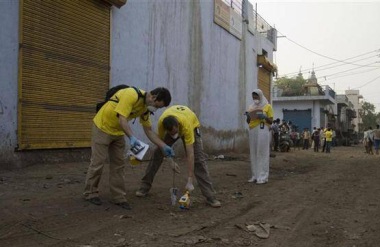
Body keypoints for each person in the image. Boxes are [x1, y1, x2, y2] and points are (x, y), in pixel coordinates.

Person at [83, 86, 173, 209]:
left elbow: (148, 130)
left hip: (118, 133)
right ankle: (90, 193)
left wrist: (163, 146)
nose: (156, 109)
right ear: (154, 97)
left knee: (119, 165)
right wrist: (132, 137)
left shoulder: (145, 108)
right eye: (157, 106)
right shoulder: (131, 94)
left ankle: (118, 197)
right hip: (102, 127)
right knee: (98, 162)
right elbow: (122, 119)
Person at [135, 105, 221, 208]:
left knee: (198, 160)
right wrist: (170, 161)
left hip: (192, 126)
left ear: (178, 126)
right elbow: (160, 144)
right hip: (174, 122)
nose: (174, 135)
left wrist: (190, 179)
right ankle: (144, 186)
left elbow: (190, 154)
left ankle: (210, 196)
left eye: (175, 132)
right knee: (157, 153)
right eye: (171, 133)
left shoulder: (186, 125)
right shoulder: (162, 124)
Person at [245, 89, 273, 184]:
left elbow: (271, 121)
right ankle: (255, 176)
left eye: (256, 97)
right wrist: (248, 117)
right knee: (253, 152)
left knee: (262, 152)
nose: (255, 99)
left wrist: (264, 117)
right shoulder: (251, 107)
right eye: (253, 97)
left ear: (260, 96)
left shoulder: (267, 106)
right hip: (253, 130)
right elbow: (248, 121)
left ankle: (263, 176)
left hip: (262, 129)